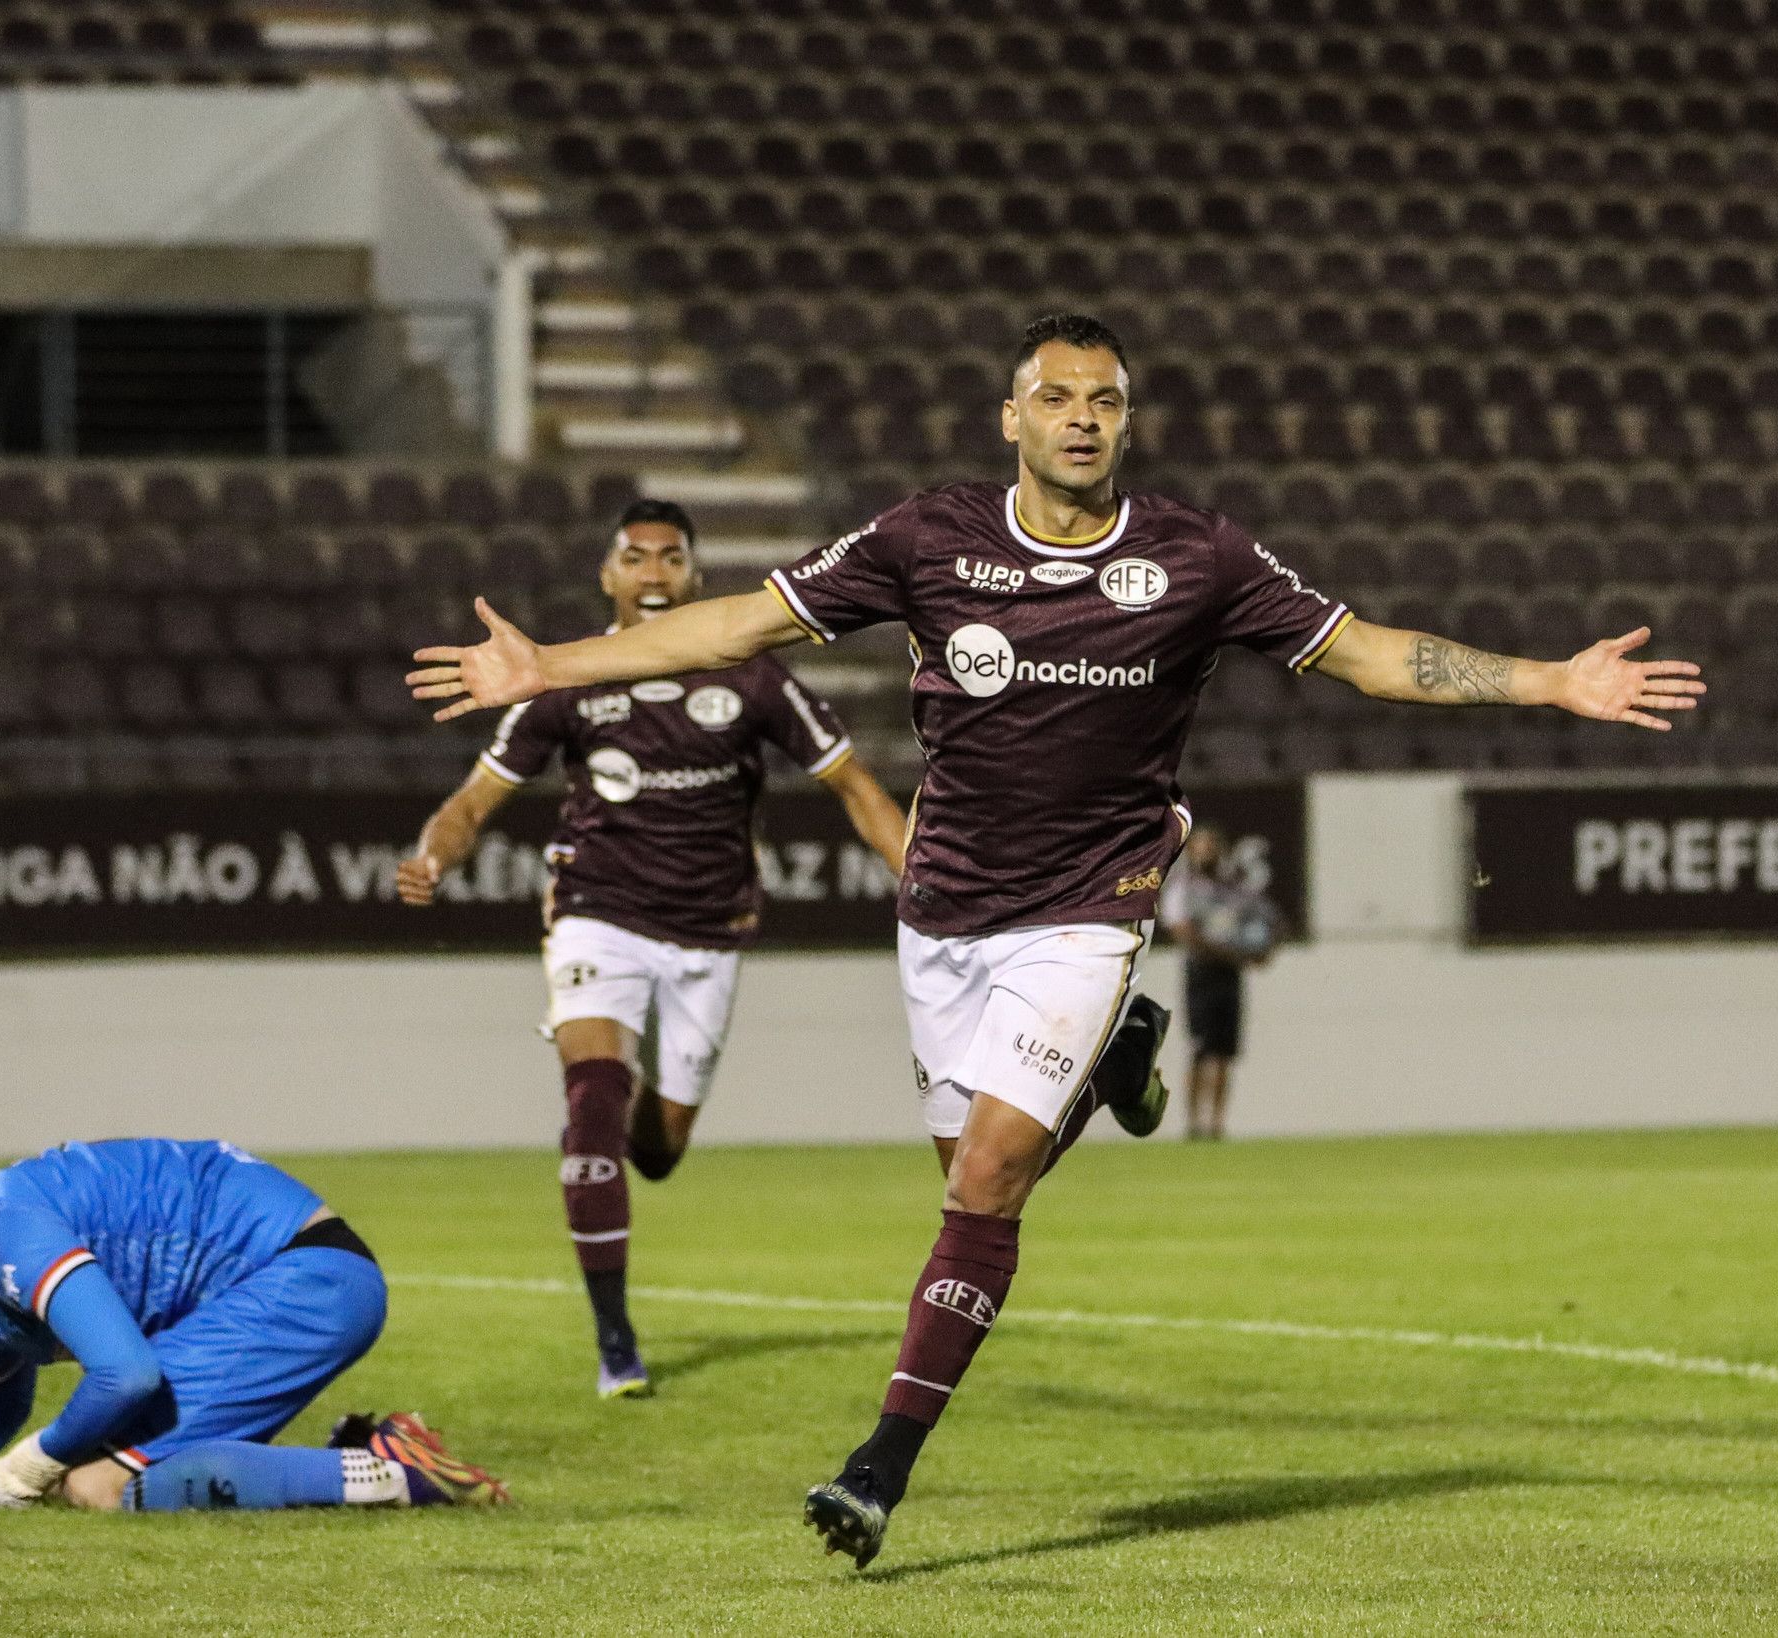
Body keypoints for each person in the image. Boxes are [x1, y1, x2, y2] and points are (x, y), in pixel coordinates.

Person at [404, 313, 1704, 1566]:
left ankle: (880, 1465)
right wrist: (555, 666)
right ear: (1012, 416)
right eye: (1060, 397)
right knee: (964, 1174)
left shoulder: (1198, 555)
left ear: (1127, 423)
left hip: (1091, 903)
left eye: (1106, 400)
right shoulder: (929, 536)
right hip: (947, 910)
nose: (1082, 418)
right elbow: (742, 619)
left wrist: (1551, 678)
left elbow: (1363, 653)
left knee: (986, 1180)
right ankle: (1118, 1054)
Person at [396, 498, 912, 1400]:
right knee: (592, 1104)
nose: (654, 573)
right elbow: (475, 800)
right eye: (635, 558)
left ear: (696, 577)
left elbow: (856, 787)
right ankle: (615, 1341)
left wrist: (922, 877)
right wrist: (434, 854)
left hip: (710, 935)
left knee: (660, 1150)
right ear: (609, 575)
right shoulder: (566, 682)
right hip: (598, 913)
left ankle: (628, 1119)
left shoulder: (754, 681)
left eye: (671, 559)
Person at [0, 1137, 509, 1512]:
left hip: (305, 1277)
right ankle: (363, 1448)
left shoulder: (5, 1232)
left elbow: (126, 1372)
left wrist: (31, 1463)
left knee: (95, 1486)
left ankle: (395, 1472)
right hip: (285, 1281)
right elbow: (0, 1395)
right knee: (123, 1471)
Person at [1159, 822, 1278, 1140]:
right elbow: (1182, 930)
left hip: (1228, 975)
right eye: (1201, 847)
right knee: (1200, 1048)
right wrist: (1230, 953)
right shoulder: (1184, 888)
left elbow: (1264, 922)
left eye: (1212, 847)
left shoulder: (1233, 889)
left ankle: (1216, 1123)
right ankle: (1194, 1123)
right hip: (1202, 973)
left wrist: (1258, 949)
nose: (1207, 854)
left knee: (1224, 1052)